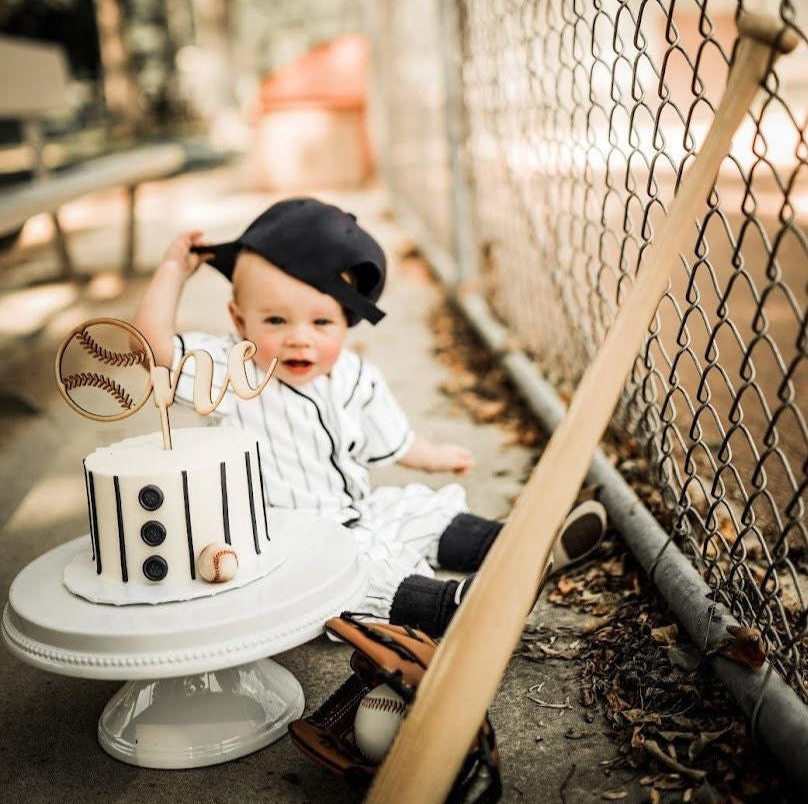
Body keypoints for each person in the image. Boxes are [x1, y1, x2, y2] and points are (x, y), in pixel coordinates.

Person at [133, 197, 606, 637]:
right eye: (275, 321)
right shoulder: (228, 372)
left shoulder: (352, 375)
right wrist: (175, 271)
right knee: (359, 573)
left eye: (321, 323)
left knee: (414, 508)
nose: (301, 339)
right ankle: (452, 606)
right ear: (240, 322)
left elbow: (390, 437)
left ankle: (520, 548)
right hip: (289, 539)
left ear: (345, 323)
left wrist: (433, 455)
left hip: (355, 508)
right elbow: (150, 348)